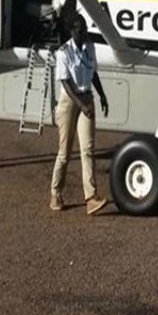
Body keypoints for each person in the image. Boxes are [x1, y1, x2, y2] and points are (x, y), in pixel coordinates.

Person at [50, 14, 110, 215]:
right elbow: (66, 84)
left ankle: (91, 197)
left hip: (86, 97)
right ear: (72, 31)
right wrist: (81, 105)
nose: (84, 34)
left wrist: (102, 95)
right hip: (70, 102)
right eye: (80, 30)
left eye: (85, 30)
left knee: (88, 149)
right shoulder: (64, 53)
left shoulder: (89, 47)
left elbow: (93, 73)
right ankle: (56, 192)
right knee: (65, 153)